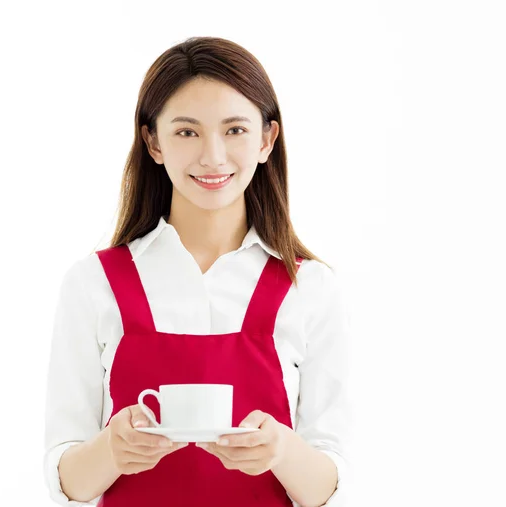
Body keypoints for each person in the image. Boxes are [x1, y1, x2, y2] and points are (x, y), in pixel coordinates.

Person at [43, 36, 352, 507]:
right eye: (187, 132)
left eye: (235, 130)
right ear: (153, 141)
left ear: (267, 139)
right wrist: (112, 449)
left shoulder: (308, 287)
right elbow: (68, 479)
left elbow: (328, 486)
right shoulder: (94, 283)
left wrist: (281, 450)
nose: (212, 156)